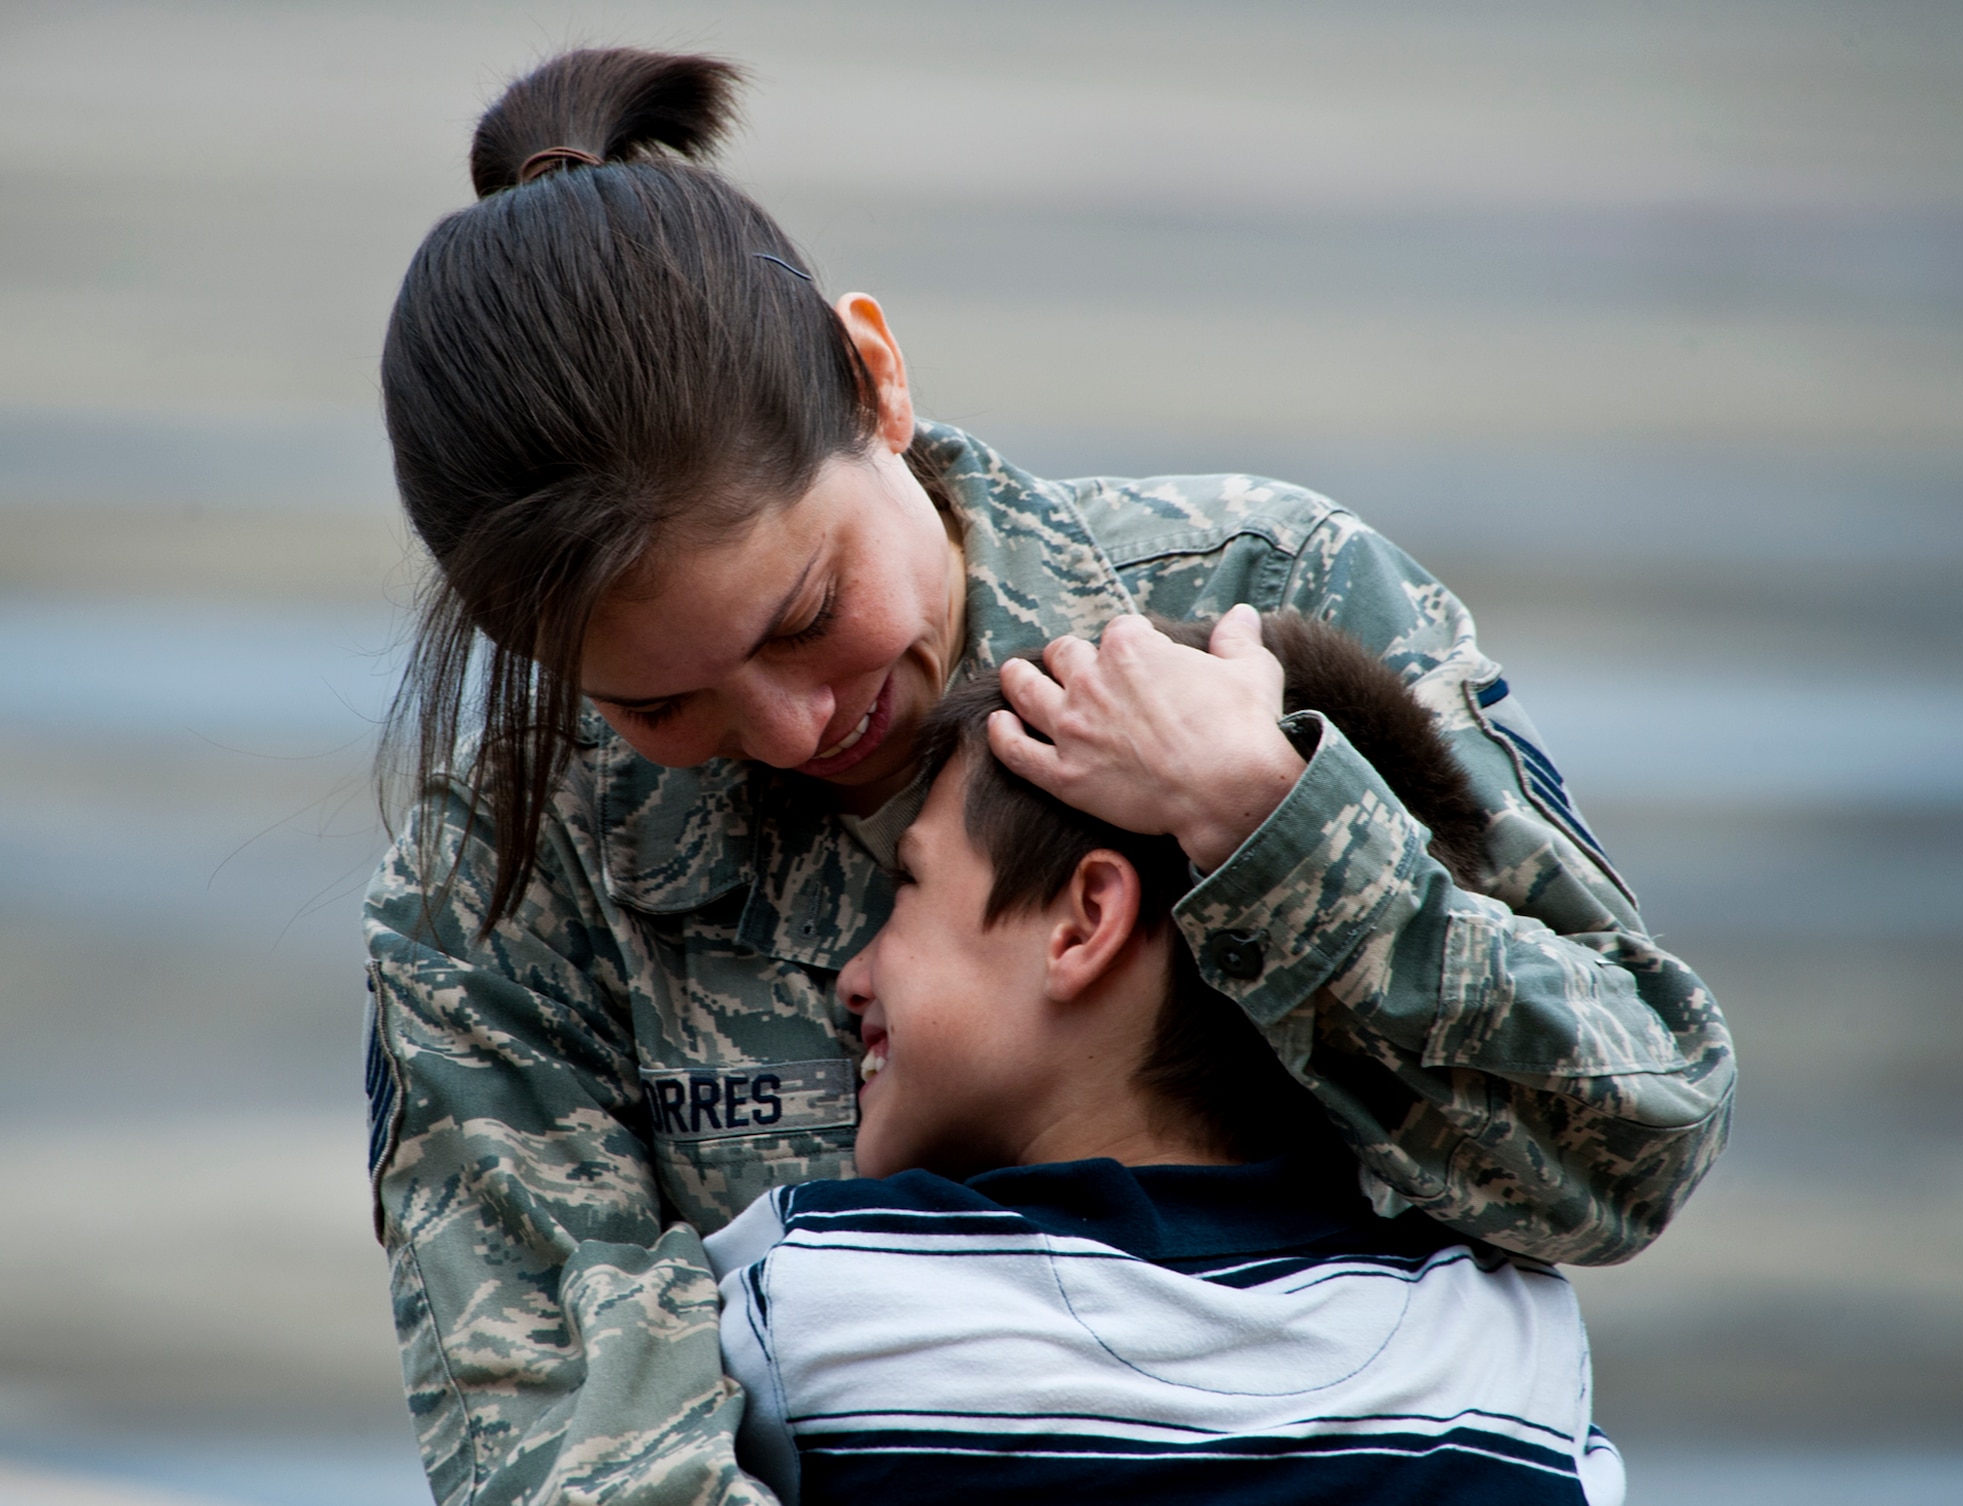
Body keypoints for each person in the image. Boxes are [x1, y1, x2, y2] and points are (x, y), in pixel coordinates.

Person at [363, 46, 1732, 1506]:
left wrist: (1269, 824)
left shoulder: (1262, 602)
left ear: (873, 377)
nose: (786, 727)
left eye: (808, 615)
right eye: (656, 701)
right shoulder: (509, 873)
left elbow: (1624, 1156)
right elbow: (571, 1452)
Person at [705, 618, 1627, 1504]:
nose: (851, 979)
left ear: (1084, 925)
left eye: (909, 885)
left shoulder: (815, 1294)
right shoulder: (1512, 1346)